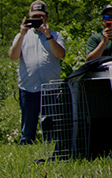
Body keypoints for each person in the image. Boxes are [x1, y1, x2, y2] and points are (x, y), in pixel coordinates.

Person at [9, 1, 66, 144]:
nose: (37, 20)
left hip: (50, 87)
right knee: (28, 122)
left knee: (51, 123)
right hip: (29, 87)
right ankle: (26, 144)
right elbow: (13, 56)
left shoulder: (55, 35)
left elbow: (60, 54)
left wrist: (48, 35)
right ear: (28, 18)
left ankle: (50, 145)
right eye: (34, 17)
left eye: (40, 17)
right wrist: (22, 33)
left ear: (46, 17)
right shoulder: (22, 36)